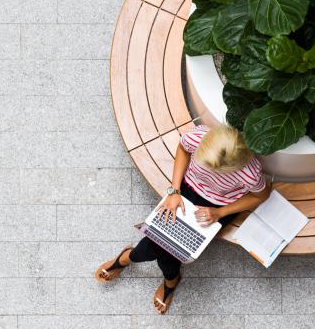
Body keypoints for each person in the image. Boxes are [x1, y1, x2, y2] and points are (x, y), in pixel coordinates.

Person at [94, 123, 272, 314]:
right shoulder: (198, 137)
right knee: (169, 247)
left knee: (164, 245)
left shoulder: (250, 173)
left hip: (219, 207)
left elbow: (261, 195)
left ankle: (131, 257)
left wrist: (220, 213)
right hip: (186, 190)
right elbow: (183, 149)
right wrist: (174, 191)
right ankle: (169, 279)